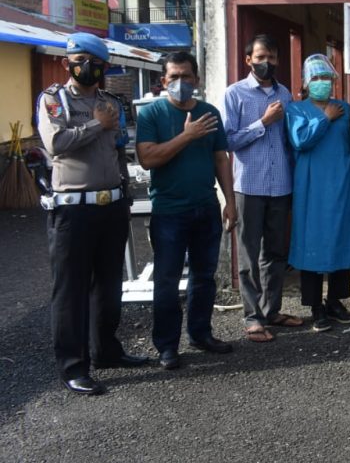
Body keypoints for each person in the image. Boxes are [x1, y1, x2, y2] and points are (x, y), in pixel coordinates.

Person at [37, 32, 148, 395]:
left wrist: (125, 195)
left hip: (111, 205)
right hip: (73, 210)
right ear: (67, 62)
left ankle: (106, 351)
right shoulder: (54, 100)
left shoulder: (111, 102)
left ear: (104, 66)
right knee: (71, 291)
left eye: (95, 62)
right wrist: (97, 124)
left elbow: (119, 151)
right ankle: (73, 366)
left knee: (109, 285)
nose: (87, 67)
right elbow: (56, 143)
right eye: (80, 60)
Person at [136, 51, 237, 370]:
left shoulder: (209, 113)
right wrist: (187, 136)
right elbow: (148, 159)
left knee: (204, 277)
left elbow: (220, 158)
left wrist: (230, 201)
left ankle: (200, 334)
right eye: (174, 77)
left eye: (186, 76)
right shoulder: (151, 114)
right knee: (166, 282)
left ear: (197, 79)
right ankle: (167, 346)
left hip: (206, 207)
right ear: (163, 80)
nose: (180, 82)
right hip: (169, 211)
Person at [223, 34, 301, 343]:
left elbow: (289, 140)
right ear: (248, 60)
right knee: (249, 255)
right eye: (260, 57)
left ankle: (271, 311)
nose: (266, 63)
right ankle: (253, 317)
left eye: (271, 57)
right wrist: (263, 122)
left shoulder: (285, 93)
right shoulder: (235, 94)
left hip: (280, 185)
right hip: (249, 186)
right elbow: (228, 140)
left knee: (276, 253)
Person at [287, 54, 350, 332]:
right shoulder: (295, 110)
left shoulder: (344, 108)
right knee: (311, 242)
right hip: (311, 188)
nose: (322, 82)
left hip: (342, 184)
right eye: (316, 78)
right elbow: (300, 140)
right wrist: (324, 118)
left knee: (340, 239)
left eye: (326, 78)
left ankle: (335, 302)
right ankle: (315, 306)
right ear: (306, 83)